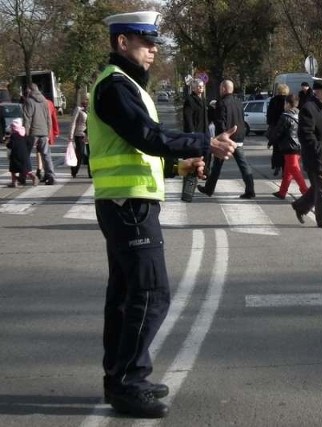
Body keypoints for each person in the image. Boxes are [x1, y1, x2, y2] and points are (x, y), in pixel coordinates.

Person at [89, 11, 236, 418]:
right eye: (145, 41)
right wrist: (204, 144)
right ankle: (128, 383)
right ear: (123, 43)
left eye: (154, 42)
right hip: (128, 206)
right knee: (150, 293)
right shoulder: (117, 86)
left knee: (125, 296)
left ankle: (120, 377)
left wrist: (179, 167)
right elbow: (148, 137)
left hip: (126, 202)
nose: (153, 49)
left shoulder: (125, 85)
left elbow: (136, 150)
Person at [291, 79, 322, 228]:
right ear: (317, 92)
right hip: (317, 157)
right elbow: (306, 133)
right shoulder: (309, 108)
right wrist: (317, 149)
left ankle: (300, 206)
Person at [197, 79, 254, 199]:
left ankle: (208, 189)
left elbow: (220, 121)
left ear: (223, 88)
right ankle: (250, 189)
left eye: (220, 88)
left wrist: (219, 137)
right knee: (243, 165)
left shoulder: (221, 103)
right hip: (238, 137)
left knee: (216, 166)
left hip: (226, 139)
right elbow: (241, 118)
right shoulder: (239, 102)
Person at [270, 94, 308, 199]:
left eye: (284, 103)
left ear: (287, 104)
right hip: (299, 145)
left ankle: (306, 192)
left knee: (295, 170)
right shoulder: (300, 115)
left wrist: (271, 141)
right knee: (288, 170)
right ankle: (282, 192)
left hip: (289, 146)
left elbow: (278, 131)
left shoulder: (285, 116)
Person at [23, 83, 55, 185]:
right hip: (44, 131)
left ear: (30, 90)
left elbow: (27, 118)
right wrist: (49, 131)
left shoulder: (29, 101)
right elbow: (48, 118)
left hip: (33, 132)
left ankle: (23, 176)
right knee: (46, 155)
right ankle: (50, 175)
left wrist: (26, 133)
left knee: (25, 154)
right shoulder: (45, 101)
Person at [6, 118, 38, 187]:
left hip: (15, 155)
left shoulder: (13, 135)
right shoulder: (24, 133)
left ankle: (14, 182)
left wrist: (7, 143)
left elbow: (10, 145)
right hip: (24, 155)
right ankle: (34, 177)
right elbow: (30, 142)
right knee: (26, 169)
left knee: (13, 170)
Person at [267, 83, 289, 176]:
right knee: (285, 150)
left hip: (275, 127)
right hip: (286, 128)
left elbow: (269, 114)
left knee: (276, 149)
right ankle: (284, 170)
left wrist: (270, 124)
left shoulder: (273, 100)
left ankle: (277, 166)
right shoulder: (288, 100)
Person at [69, 95, 90, 178]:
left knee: (90, 154)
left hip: (89, 134)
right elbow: (73, 122)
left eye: (88, 100)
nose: (87, 102)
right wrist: (71, 135)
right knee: (80, 154)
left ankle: (90, 173)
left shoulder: (91, 110)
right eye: (86, 100)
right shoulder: (78, 109)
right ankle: (74, 170)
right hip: (79, 134)